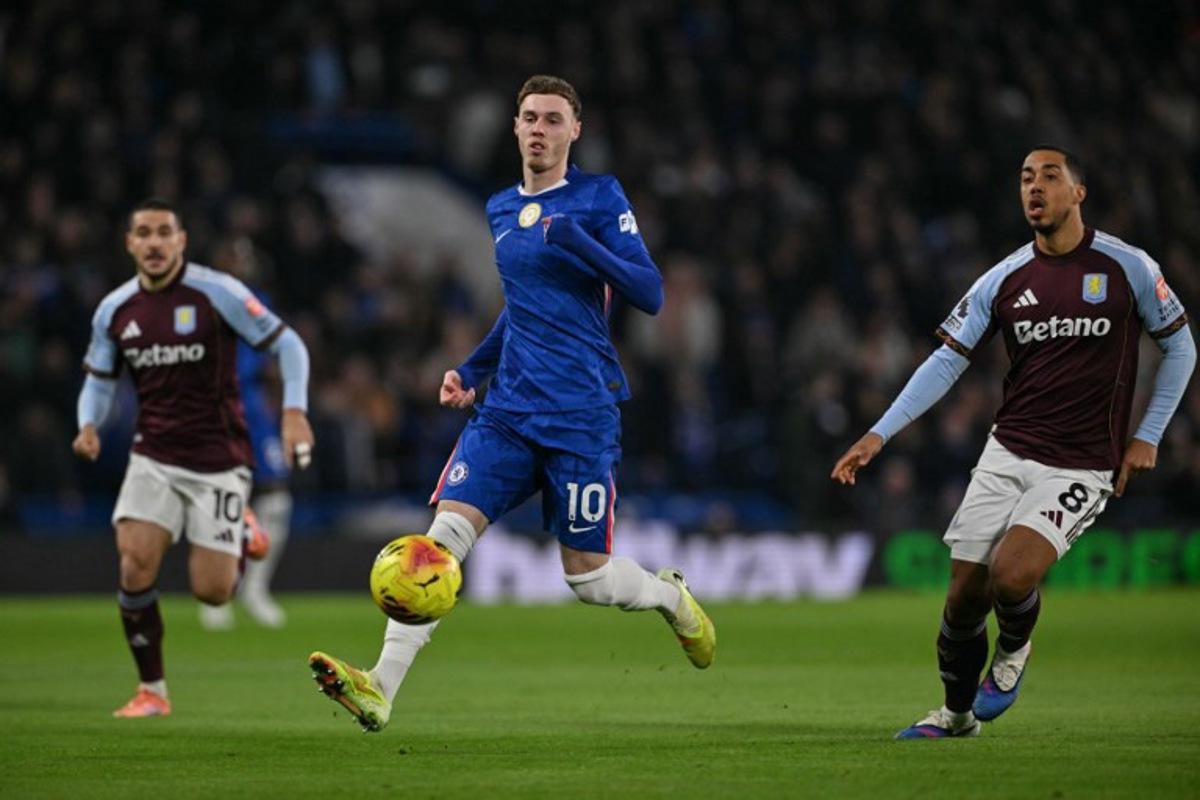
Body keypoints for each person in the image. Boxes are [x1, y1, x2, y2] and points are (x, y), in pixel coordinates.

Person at [308, 75, 716, 733]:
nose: (539, 129)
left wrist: (578, 242)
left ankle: (670, 597)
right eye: (529, 117)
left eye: (553, 119)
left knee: (587, 580)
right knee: (438, 543)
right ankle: (380, 685)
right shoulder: (499, 208)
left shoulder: (599, 197)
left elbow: (649, 292)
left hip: (582, 413)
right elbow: (521, 311)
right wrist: (472, 369)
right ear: (515, 127)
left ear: (574, 131)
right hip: (506, 412)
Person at [832, 146, 1195, 739]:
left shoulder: (1126, 266)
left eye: (1050, 176)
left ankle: (1014, 653)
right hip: (1007, 452)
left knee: (1011, 574)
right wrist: (879, 433)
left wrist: (1147, 435)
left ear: (1078, 192)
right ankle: (955, 718)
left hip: (1080, 465)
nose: (1035, 187)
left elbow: (1182, 347)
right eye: (1026, 178)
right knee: (960, 602)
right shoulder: (1004, 279)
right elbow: (946, 361)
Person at [73, 198, 314, 718]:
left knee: (213, 593)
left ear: (181, 241)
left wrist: (294, 413)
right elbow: (98, 377)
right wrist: (87, 424)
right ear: (130, 243)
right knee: (134, 564)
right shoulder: (114, 310)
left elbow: (290, 345)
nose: (155, 242)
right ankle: (152, 691)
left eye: (165, 232)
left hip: (218, 459)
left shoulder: (218, 293)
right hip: (153, 454)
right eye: (144, 233)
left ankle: (243, 529)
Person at [199, 287, 294, 631]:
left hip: (254, 410)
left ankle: (255, 589)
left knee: (277, 498)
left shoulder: (260, 301)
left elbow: (276, 353)